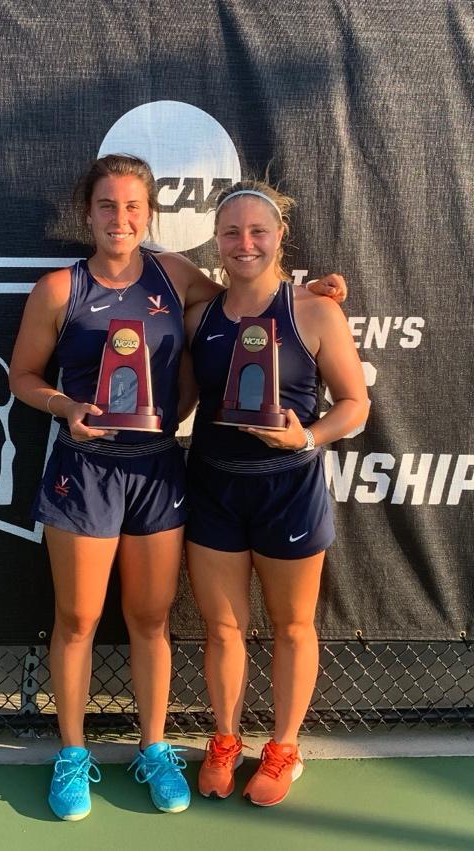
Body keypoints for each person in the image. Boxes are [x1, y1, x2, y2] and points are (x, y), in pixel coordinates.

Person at [8, 155, 346, 821]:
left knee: (151, 617)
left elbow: (246, 298)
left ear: (150, 215)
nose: (120, 219)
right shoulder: (57, 288)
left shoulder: (173, 275)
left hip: (160, 468)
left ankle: (154, 746)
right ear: (88, 213)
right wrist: (62, 407)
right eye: (107, 206)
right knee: (77, 618)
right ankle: (72, 754)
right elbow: (22, 375)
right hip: (85, 470)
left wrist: (317, 294)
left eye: (133, 207)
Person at [184, 180, 369, 807]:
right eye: (231, 232)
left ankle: (284, 748)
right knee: (223, 628)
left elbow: (355, 404)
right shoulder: (199, 313)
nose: (244, 243)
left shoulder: (314, 310)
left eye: (257, 231)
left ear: (279, 236)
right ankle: (226, 739)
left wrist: (307, 438)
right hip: (212, 487)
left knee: (292, 627)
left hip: (289, 490)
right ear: (216, 239)